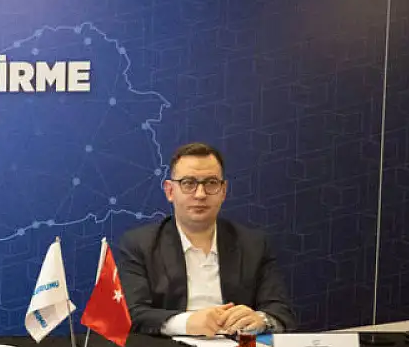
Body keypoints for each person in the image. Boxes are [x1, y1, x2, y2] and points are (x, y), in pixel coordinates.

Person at [117, 142, 296, 336]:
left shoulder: (254, 244)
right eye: (188, 183)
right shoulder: (140, 244)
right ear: (170, 191)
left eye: (211, 183)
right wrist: (187, 322)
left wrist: (261, 319)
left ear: (223, 191)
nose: (200, 194)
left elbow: (281, 312)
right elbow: (132, 314)